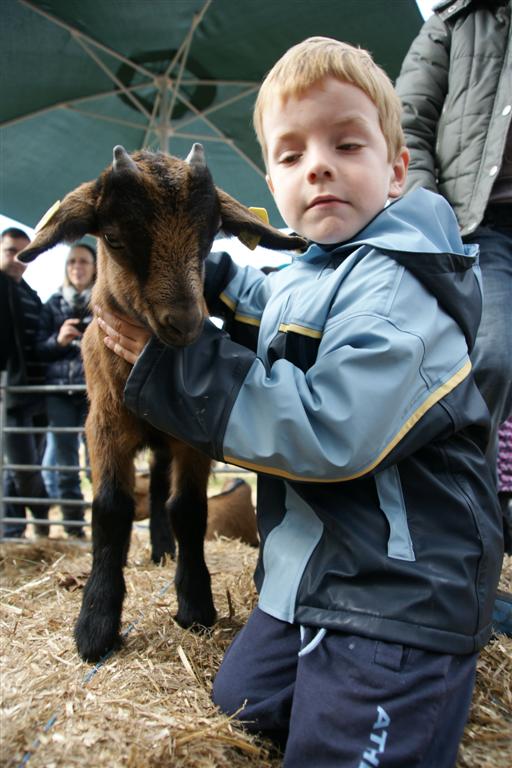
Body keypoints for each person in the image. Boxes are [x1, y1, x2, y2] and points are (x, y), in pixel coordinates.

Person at [94, 38, 503, 768]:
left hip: (397, 591)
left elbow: (327, 431)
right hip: (311, 576)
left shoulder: (400, 287)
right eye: (290, 155)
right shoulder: (309, 270)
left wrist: (184, 373)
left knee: (335, 752)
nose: (317, 165)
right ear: (271, 180)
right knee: (239, 706)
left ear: (397, 169)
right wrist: (195, 267)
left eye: (346, 144)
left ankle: (434, 663)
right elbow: (265, 300)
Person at [395, 0, 512, 632]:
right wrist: (431, 220)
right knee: (489, 360)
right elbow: (407, 123)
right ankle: (457, 570)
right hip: (478, 224)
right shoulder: (455, 20)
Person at [35, 243, 96, 538]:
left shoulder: (104, 300)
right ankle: (74, 528)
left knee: (100, 460)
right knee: (65, 464)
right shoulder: (52, 304)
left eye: (83, 261)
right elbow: (38, 349)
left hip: (95, 392)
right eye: (72, 261)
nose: (77, 267)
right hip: (60, 393)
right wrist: (58, 340)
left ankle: (106, 526)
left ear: (95, 267)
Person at [0, 227, 50, 538]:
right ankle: (44, 512)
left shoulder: (31, 294)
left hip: (38, 392)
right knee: (24, 468)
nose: (18, 259)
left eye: (24, 253)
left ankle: (12, 531)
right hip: (10, 394)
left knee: (20, 468)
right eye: (10, 251)